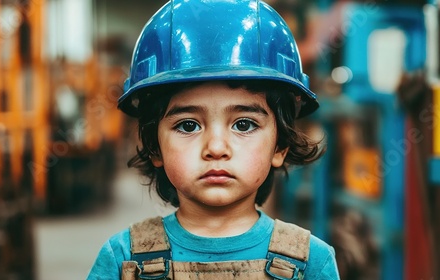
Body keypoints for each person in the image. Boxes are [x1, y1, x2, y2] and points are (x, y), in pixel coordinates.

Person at [87, 0, 339, 279]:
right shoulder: (123, 260)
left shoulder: (312, 263)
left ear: (280, 146)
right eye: (188, 125)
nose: (216, 148)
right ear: (154, 146)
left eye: (244, 124)